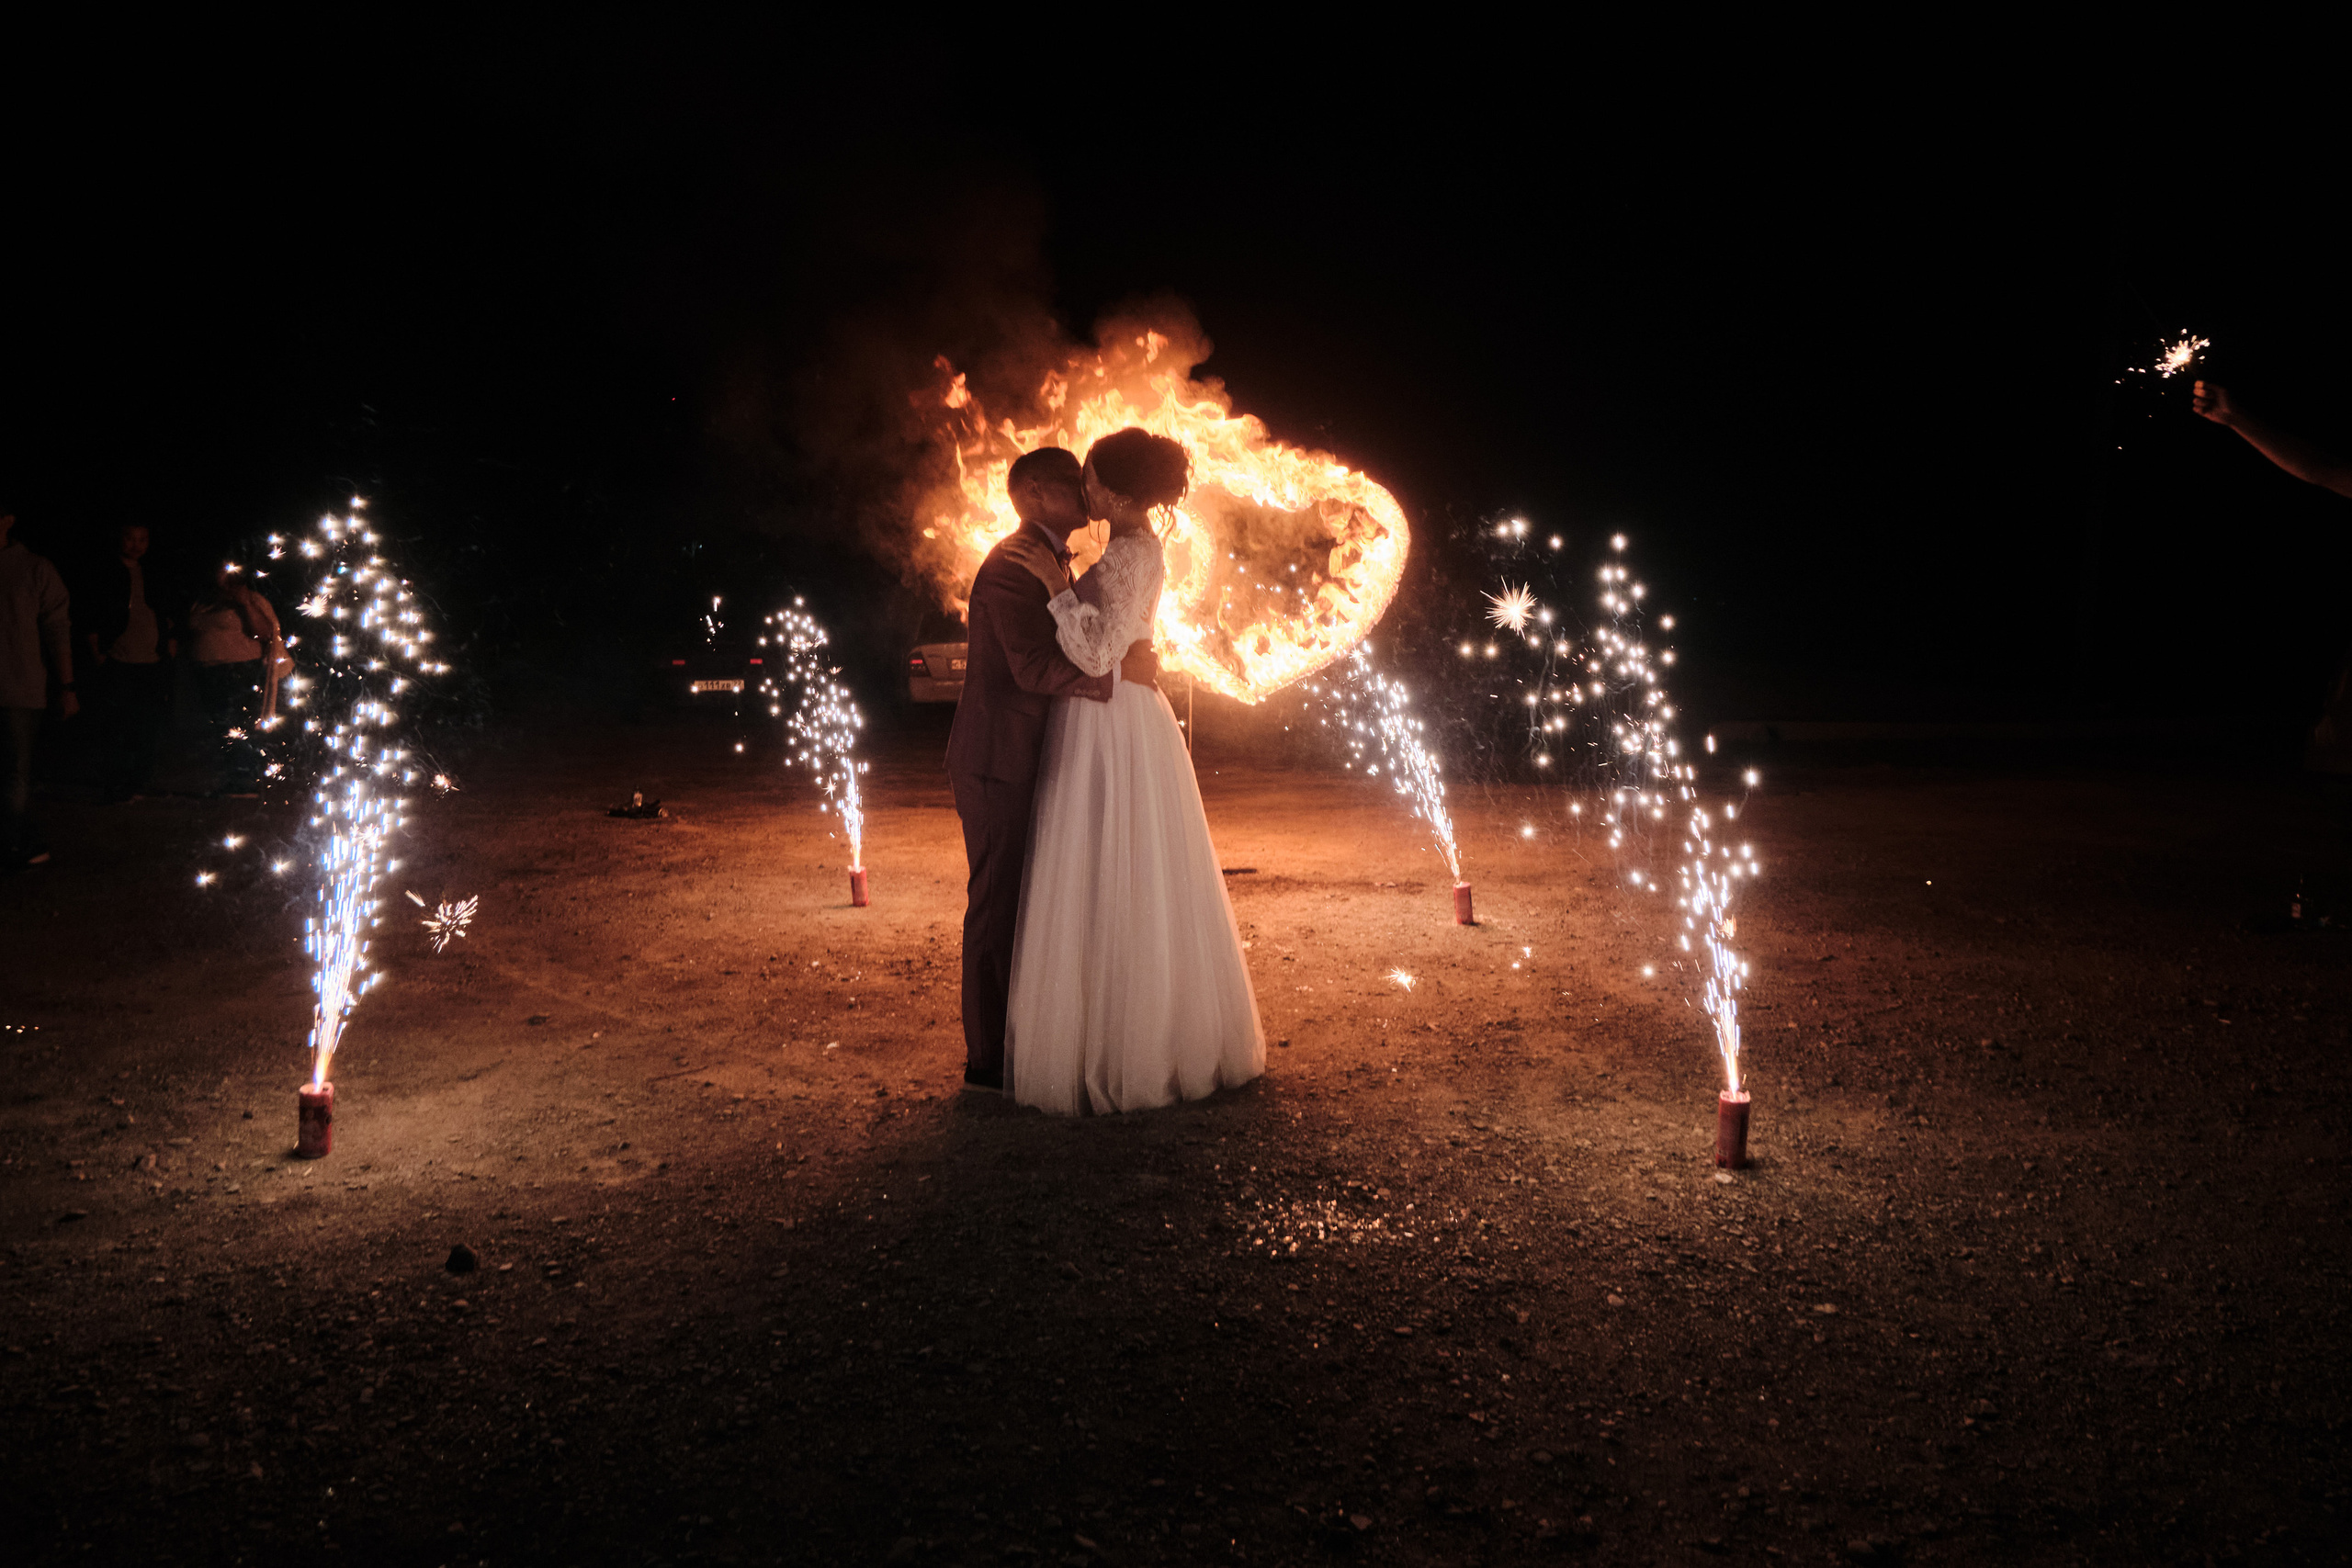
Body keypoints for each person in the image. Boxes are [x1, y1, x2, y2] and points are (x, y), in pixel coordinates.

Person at [1004, 429, 1266, 1113]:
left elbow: (1094, 652)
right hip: (1118, 712)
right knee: (1117, 864)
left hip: (1109, 719)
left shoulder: (1130, 551)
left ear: (1116, 491)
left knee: (1111, 860)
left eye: (1088, 477)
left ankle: (1123, 1046)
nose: (1082, 487)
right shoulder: (1129, 547)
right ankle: (1119, 1029)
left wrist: (1058, 587)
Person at [947, 446, 1159, 1093]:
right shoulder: (1015, 565)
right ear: (1035, 492)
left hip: (1033, 752)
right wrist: (1120, 678)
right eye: (1073, 483)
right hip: (998, 758)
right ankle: (986, 1062)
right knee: (998, 901)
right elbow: (1032, 669)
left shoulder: (1063, 561)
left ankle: (1026, 1043)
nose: (1086, 494)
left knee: (1035, 903)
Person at [0, 509, 77, 870]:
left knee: (16, 770)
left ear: (9, 519)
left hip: (19, 685)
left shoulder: (34, 568)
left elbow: (57, 627)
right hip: (20, 686)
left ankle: (12, 844)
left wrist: (67, 685)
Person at [80, 523, 175, 802]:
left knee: (148, 724)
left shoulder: (152, 572)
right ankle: (114, 784)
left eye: (142, 539)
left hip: (152, 660)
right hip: (120, 659)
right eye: (130, 539)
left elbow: (165, 609)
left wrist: (169, 642)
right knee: (117, 725)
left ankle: (139, 782)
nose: (136, 545)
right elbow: (92, 611)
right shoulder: (106, 570)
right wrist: (97, 651)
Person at [185, 563, 285, 796]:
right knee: (222, 725)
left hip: (239, 670)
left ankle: (244, 779)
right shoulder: (206, 600)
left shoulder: (252, 599)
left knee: (239, 724)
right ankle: (234, 777)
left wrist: (245, 603)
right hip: (210, 671)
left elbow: (265, 632)